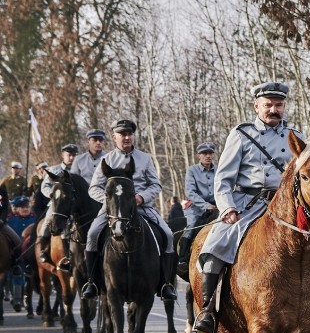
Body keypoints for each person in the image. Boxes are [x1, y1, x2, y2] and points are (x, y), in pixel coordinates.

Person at [193, 81, 310, 333]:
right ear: (256, 105)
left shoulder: (295, 135)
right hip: (248, 204)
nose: (273, 109)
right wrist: (227, 208)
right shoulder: (241, 134)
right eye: (268, 104)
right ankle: (208, 313)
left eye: (278, 105)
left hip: (289, 207)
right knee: (215, 245)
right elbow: (223, 180)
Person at [80, 119, 178, 301]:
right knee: (92, 235)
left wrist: (141, 197)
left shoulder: (145, 158)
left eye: (129, 134)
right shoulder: (106, 160)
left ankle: (165, 284)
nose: (126, 137)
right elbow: (93, 188)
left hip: (142, 207)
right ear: (114, 137)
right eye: (122, 134)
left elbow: (155, 185)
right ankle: (92, 283)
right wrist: (112, 202)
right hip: (112, 211)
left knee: (168, 235)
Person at [38, 144, 78, 272]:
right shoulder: (53, 170)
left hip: (74, 204)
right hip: (57, 205)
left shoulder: (79, 170)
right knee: (46, 224)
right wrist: (53, 194)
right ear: (63, 155)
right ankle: (43, 250)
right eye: (69, 154)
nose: (71, 157)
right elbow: (44, 186)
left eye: (73, 155)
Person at [177, 142, 218, 269]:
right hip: (197, 207)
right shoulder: (192, 170)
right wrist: (205, 205)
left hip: (217, 206)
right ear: (198, 155)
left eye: (210, 153)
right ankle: (182, 258)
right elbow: (190, 192)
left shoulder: (219, 170)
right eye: (204, 153)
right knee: (191, 225)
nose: (208, 156)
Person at [0, 184, 22, 262]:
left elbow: (5, 207)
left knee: (18, 242)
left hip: (0, 223)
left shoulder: (2, 191)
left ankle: (15, 264)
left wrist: (2, 220)